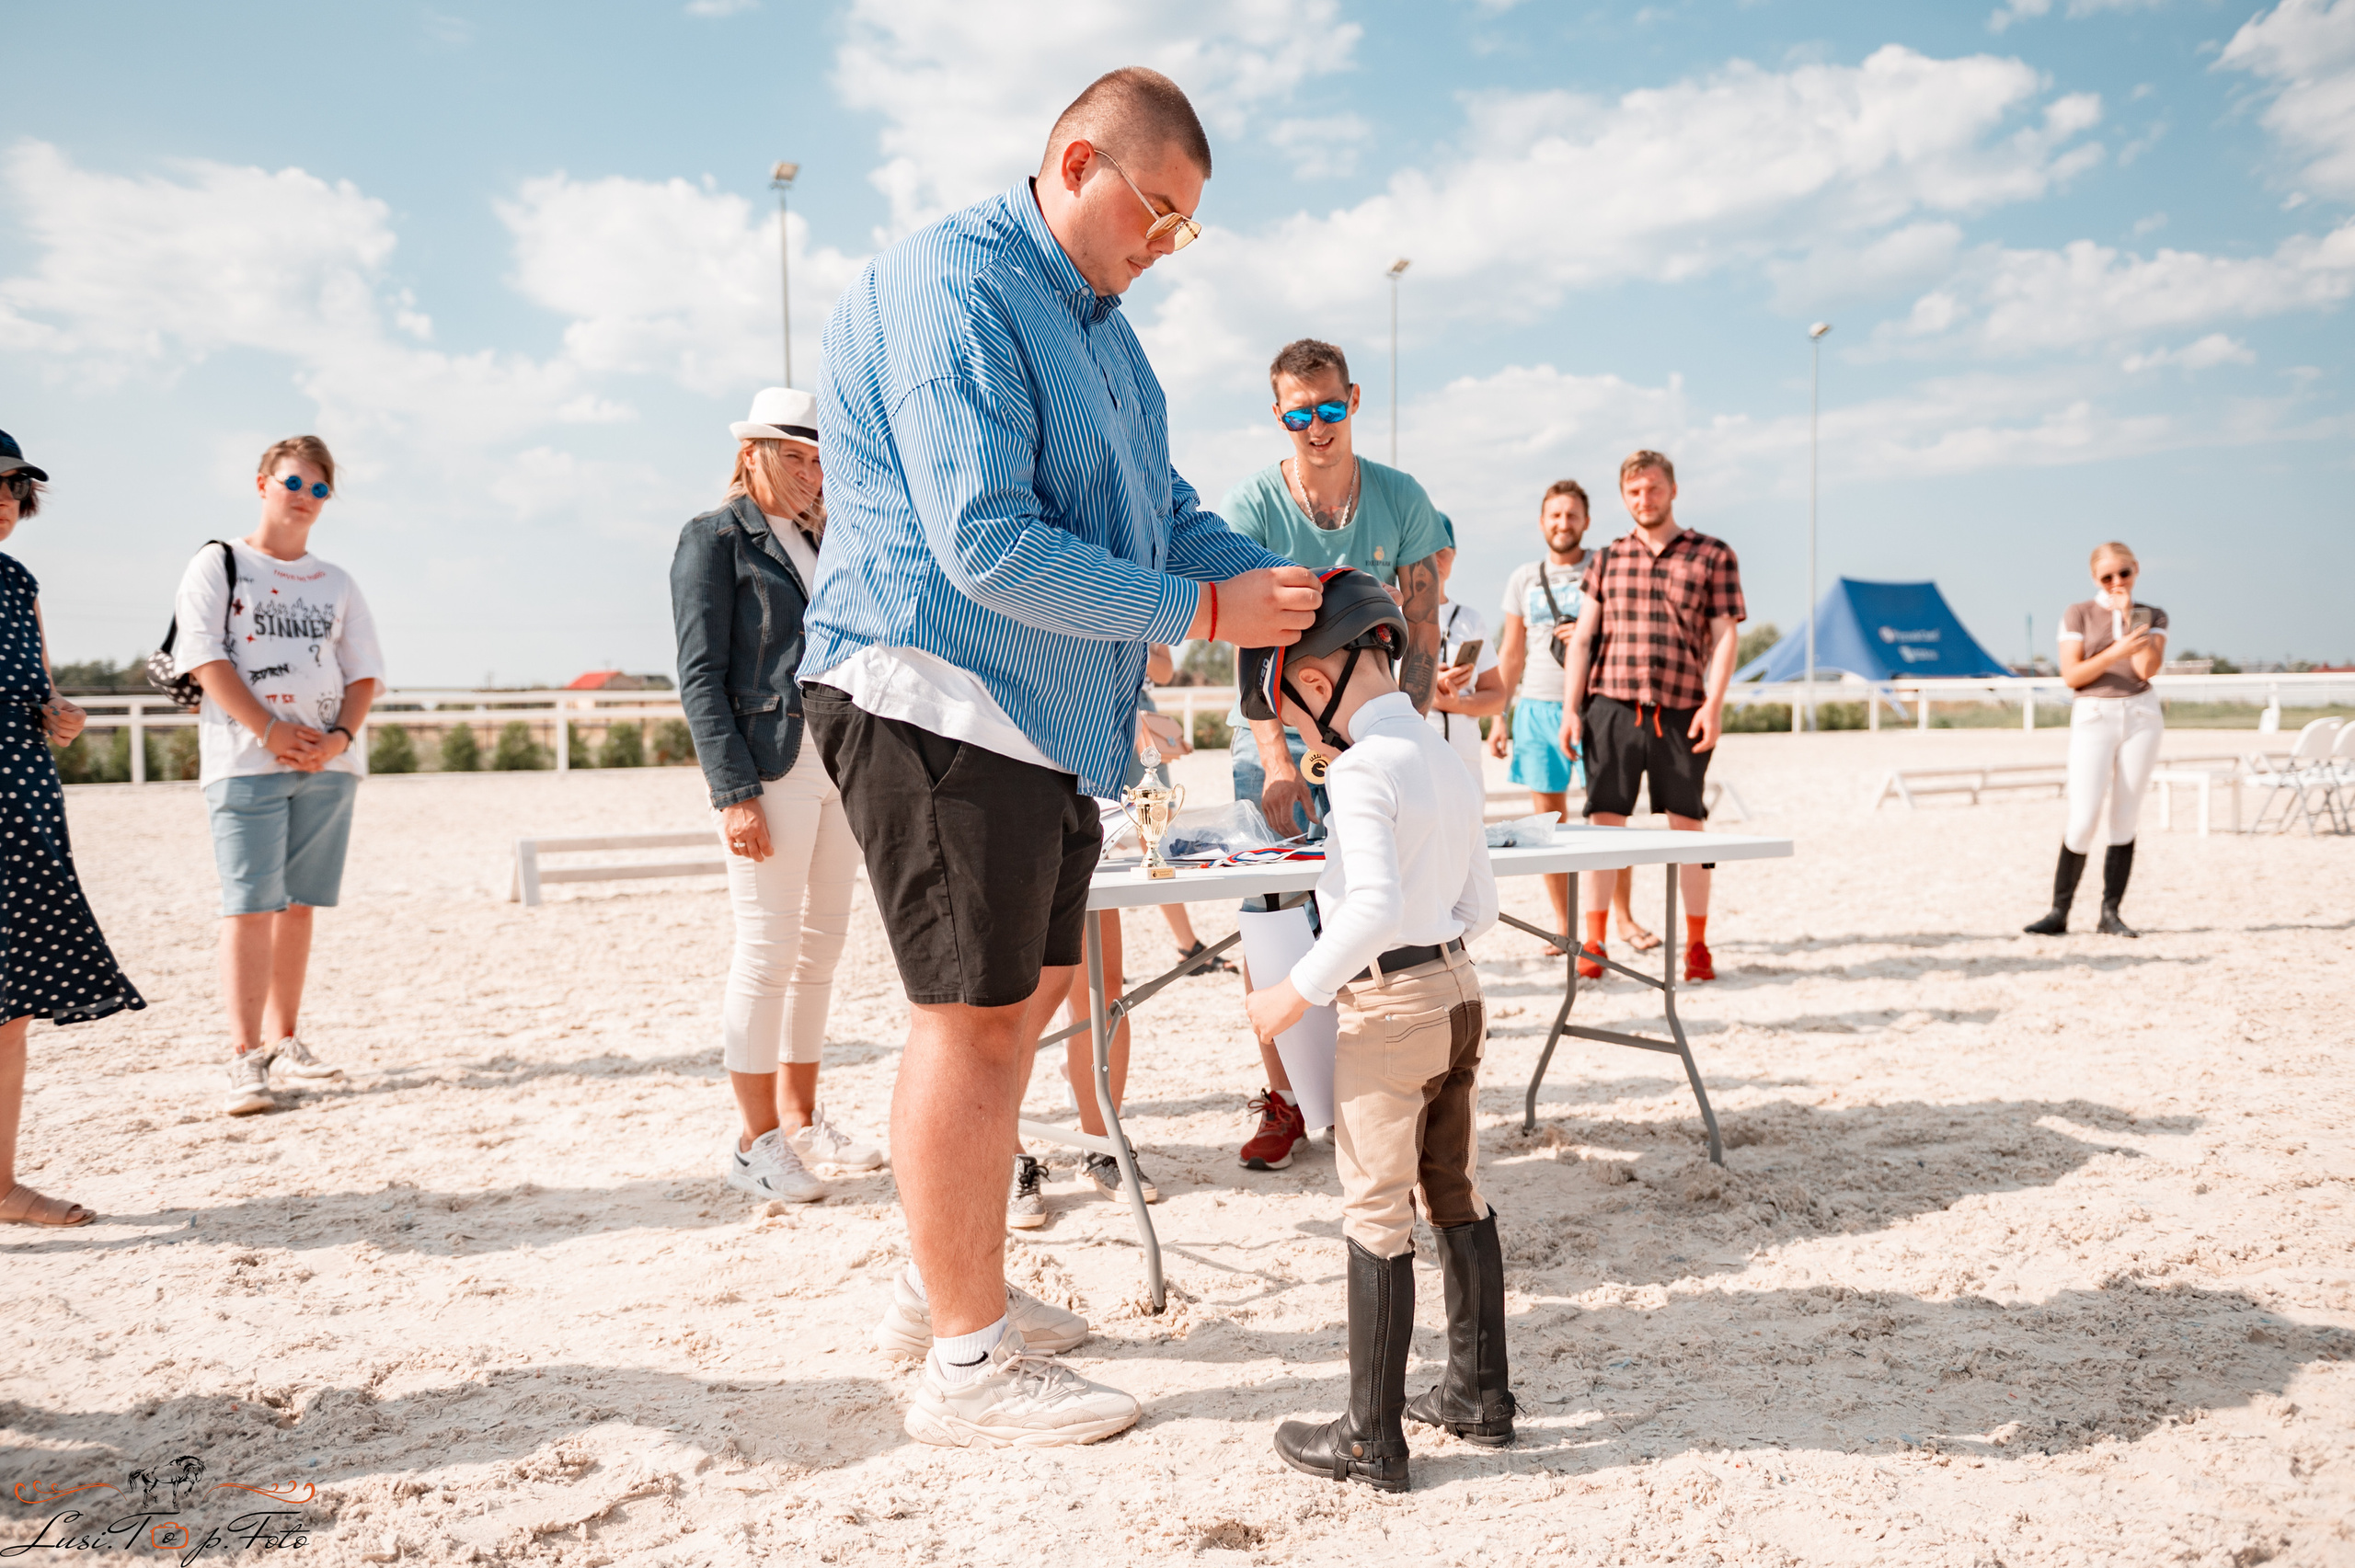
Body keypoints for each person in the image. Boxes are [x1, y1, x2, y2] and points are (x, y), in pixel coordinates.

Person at [799, 66, 1319, 1448]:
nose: (1167, 245)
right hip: (935, 689)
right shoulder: (953, 283)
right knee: (968, 1020)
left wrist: (1282, 586)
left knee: (1025, 1001)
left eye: (1186, 227)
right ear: (1079, 163)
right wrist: (1200, 614)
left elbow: (1165, 513)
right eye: (1158, 211)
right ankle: (967, 1367)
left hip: (1040, 719)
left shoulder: (1108, 335)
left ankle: (942, 1289)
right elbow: (984, 540)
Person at [1237, 569, 1510, 1493]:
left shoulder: (1358, 768)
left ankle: (1370, 1437)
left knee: (1375, 1210)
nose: (1305, 737)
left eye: (1295, 715)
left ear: (1316, 683)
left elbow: (1373, 907)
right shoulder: (1440, 753)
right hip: (1460, 989)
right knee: (1454, 1188)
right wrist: (1434, 956)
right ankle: (1477, 1393)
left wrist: (1291, 995)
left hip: (1391, 1006)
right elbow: (1481, 905)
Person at [1220, 337, 1450, 1172]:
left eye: (1327, 408)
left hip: (1377, 732)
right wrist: (1278, 762)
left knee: (1390, 905)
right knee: (1273, 922)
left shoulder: (1401, 498)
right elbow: (1247, 642)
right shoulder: (1252, 506)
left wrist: (1407, 739)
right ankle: (1286, 1095)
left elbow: (1422, 626)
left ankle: (1382, 1089)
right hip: (1280, 732)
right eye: (1297, 414)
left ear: (1352, 401)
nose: (1315, 427)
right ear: (1277, 415)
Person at [672, 387, 884, 1209]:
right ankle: (754, 1142)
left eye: (818, 459)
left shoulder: (827, 537)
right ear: (752, 454)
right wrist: (732, 792)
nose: (809, 473)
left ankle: (800, 1117)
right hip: (768, 765)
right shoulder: (714, 538)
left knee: (822, 947)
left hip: (841, 760)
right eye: (792, 456)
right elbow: (699, 676)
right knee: (765, 951)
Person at [175, 437, 384, 1116]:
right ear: (263, 482)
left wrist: (338, 740)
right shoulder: (219, 563)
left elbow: (364, 673)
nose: (305, 497)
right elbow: (204, 658)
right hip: (244, 762)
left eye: (319, 489)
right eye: (294, 482)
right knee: (248, 903)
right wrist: (269, 730)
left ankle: (285, 1038)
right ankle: (245, 1056)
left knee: (298, 904)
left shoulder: (337, 582)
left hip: (329, 765)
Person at [0, 430, 145, 1227]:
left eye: (15, 487)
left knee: (9, 1005)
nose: (5, 501)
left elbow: (44, 695)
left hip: (22, 802)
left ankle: (1, 1187)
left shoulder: (19, 583)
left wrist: (65, 716)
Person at [1558, 450, 1744, 983]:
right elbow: (1583, 639)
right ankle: (1594, 941)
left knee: (1690, 827)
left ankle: (1698, 945)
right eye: (1635, 491)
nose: (1645, 499)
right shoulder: (1607, 559)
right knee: (1603, 826)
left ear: (1673, 490)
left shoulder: (1713, 554)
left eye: (1654, 488)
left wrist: (1715, 704)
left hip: (1683, 708)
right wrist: (1571, 710)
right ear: (1624, 497)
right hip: (1611, 706)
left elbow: (1725, 636)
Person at [1491, 481, 1655, 957]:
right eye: (1555, 515)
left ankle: (1623, 918)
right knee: (1547, 826)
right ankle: (1564, 927)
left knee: (1610, 821)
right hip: (1535, 707)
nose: (1563, 524)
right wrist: (1500, 716)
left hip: (1597, 706)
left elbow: (1633, 632)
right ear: (1543, 522)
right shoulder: (1524, 577)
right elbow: (1512, 652)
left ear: (1586, 521)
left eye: (1572, 515)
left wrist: (1591, 633)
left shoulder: (1605, 566)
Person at [2024, 543, 2167, 938]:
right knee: (2084, 816)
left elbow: (2146, 669)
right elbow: (2073, 674)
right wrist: (2115, 650)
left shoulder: (2152, 615)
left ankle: (2110, 913)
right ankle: (2059, 912)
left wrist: (2129, 617)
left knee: (2125, 815)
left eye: (2124, 573)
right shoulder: (2079, 613)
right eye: (2107, 577)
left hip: (2141, 715)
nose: (2117, 581)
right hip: (2094, 714)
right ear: (2095, 578)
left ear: (2136, 569)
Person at [1426, 515, 1506, 781]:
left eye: (1442, 551)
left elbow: (1496, 698)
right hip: (1416, 761)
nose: (1435, 559)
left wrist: (1456, 703)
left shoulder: (1470, 620)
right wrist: (1424, 687)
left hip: (1465, 764)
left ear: (1454, 555)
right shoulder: (1394, 615)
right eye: (1425, 549)